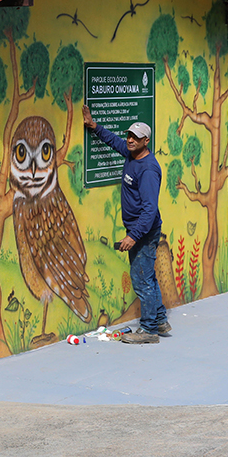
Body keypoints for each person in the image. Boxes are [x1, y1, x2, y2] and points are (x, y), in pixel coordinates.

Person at [82, 105, 168, 344]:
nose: (130, 140)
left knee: (141, 279)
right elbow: (114, 142)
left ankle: (149, 329)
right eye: (129, 135)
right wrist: (94, 127)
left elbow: (150, 209)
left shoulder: (149, 169)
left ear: (146, 141)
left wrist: (133, 236)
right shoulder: (132, 154)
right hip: (139, 230)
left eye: (136, 138)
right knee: (147, 277)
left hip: (144, 232)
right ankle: (159, 319)